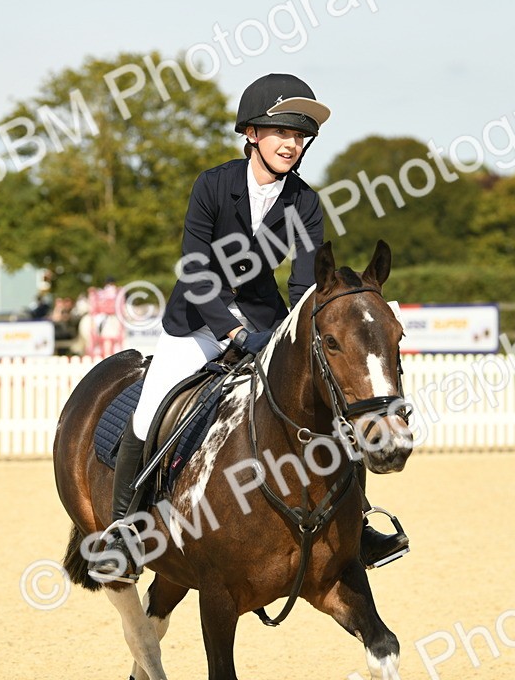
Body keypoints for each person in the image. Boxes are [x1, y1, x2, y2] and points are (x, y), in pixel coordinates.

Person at [89, 73, 409, 583]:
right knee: (149, 415)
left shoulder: (304, 202)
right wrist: (234, 334)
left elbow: (306, 284)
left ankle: (359, 522)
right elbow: (195, 268)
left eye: (300, 136)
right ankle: (125, 532)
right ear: (251, 134)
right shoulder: (213, 185)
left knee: (325, 407)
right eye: (280, 132)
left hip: (265, 321)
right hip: (196, 321)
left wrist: (289, 335)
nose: (291, 144)